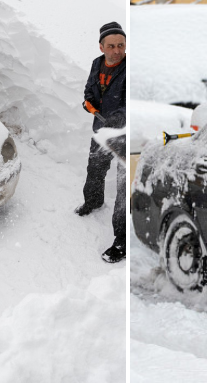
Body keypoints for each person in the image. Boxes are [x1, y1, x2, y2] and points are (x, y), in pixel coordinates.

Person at [75, 21, 127, 263]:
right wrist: (88, 103)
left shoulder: (130, 69)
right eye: (112, 46)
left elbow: (128, 106)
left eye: (121, 45)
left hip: (124, 136)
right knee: (95, 167)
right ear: (101, 47)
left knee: (123, 189)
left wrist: (114, 120)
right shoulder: (97, 64)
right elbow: (89, 89)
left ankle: (121, 241)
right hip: (101, 130)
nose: (117, 50)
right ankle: (93, 201)